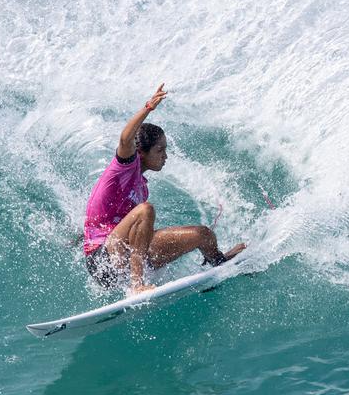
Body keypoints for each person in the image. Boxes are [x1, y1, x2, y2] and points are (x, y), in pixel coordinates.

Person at [83, 84, 245, 295]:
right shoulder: (123, 168)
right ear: (140, 153)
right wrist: (148, 107)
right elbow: (125, 139)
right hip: (102, 262)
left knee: (203, 234)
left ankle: (219, 263)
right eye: (160, 150)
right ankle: (137, 285)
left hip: (127, 253)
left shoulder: (142, 187)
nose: (165, 156)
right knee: (146, 210)